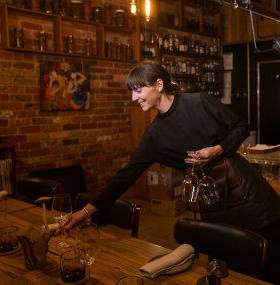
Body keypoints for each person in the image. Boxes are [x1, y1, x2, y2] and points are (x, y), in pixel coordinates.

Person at [62, 60, 280, 284]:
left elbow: (241, 126)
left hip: (247, 195)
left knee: (271, 260)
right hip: (211, 202)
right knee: (229, 267)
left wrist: (218, 149)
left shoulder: (199, 102)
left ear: (158, 84)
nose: (133, 98)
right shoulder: (154, 135)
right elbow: (124, 177)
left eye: (138, 90)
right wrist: (85, 213)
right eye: (132, 92)